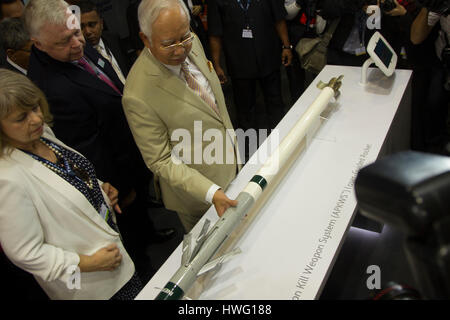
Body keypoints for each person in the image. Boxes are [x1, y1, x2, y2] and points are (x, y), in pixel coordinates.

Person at [24, 0, 175, 280]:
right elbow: (89, 148)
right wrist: (121, 185)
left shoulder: (70, 49)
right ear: (39, 44)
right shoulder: (49, 87)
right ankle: (147, 274)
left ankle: (149, 232)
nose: (78, 42)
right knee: (131, 236)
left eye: (76, 31)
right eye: (65, 40)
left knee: (142, 213)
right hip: (115, 176)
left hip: (130, 151)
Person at [0, 69, 142, 299]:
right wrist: (86, 263)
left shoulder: (41, 133)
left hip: (116, 257)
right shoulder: (6, 178)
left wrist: (98, 188)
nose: (35, 119)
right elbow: (26, 253)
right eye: (21, 118)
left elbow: (64, 180)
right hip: (92, 284)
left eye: (35, 107)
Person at [122, 0, 240, 233]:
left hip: (234, 165)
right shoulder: (137, 94)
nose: (180, 50)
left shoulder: (193, 42)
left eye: (184, 37)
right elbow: (161, 159)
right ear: (145, 39)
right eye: (168, 44)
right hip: (200, 197)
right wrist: (209, 191)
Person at [208, 0, 292, 132]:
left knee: (276, 103)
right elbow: (215, 34)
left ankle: (283, 141)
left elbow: (279, 19)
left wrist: (286, 46)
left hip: (268, 56)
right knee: (245, 111)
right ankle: (250, 149)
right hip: (239, 63)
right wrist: (217, 65)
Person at [79, 0, 132, 84]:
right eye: (81, 27)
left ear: (101, 23)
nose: (87, 31)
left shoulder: (113, 39)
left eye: (92, 25)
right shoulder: (81, 56)